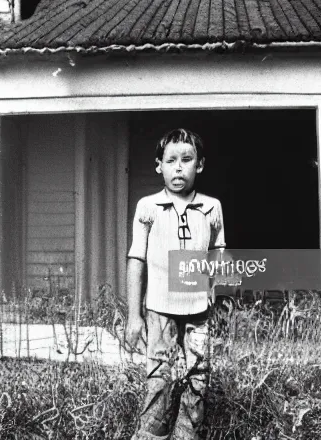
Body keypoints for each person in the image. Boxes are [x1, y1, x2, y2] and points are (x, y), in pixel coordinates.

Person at [125, 128, 226, 440]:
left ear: (200, 165)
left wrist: (215, 291)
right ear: (159, 165)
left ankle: (186, 435)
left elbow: (219, 253)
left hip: (199, 310)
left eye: (187, 159)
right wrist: (133, 314)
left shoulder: (211, 207)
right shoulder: (148, 207)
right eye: (171, 160)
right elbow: (136, 259)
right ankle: (150, 434)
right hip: (159, 309)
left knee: (198, 377)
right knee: (159, 375)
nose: (179, 167)